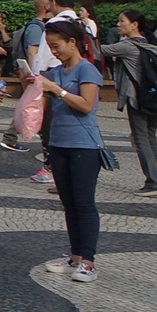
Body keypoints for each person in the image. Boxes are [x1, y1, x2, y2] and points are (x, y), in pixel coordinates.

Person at [35, 19, 105, 283]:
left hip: (84, 146)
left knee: (84, 203)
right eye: (51, 47)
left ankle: (88, 261)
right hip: (59, 143)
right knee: (69, 204)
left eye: (57, 46)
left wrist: (57, 90)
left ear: (73, 42)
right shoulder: (57, 71)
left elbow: (87, 105)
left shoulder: (87, 70)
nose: (54, 51)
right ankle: (75, 256)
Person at [101, 10, 157, 198]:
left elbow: (100, 50)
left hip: (138, 98)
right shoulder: (151, 45)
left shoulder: (127, 45)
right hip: (155, 97)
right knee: (151, 138)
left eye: (122, 21)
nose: (118, 24)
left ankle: (153, 182)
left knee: (141, 138)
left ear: (135, 25)